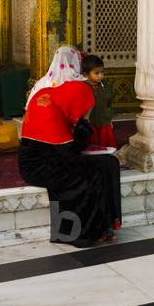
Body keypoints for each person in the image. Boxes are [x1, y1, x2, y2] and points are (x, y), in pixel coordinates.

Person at [19, 49, 122, 247]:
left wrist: (80, 129)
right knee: (89, 176)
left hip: (54, 156)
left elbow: (67, 148)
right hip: (39, 166)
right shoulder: (51, 116)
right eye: (85, 111)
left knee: (109, 162)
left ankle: (109, 222)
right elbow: (70, 152)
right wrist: (82, 130)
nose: (85, 114)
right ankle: (79, 232)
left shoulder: (50, 96)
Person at [83, 54, 116, 149]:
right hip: (90, 122)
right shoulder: (83, 87)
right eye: (96, 73)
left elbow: (109, 103)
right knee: (92, 146)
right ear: (86, 74)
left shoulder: (106, 86)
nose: (101, 75)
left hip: (104, 121)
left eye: (102, 72)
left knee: (106, 145)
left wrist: (109, 119)